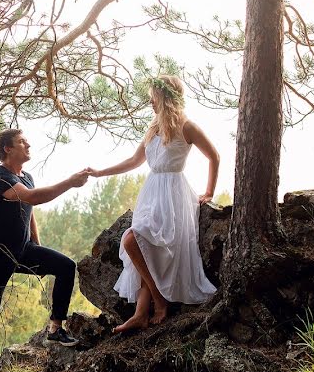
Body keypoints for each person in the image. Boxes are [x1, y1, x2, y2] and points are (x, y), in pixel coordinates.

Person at [87, 74, 218, 332]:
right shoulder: (153, 128)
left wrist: (209, 192)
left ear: (165, 97)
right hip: (151, 194)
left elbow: (214, 156)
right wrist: (101, 172)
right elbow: (133, 161)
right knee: (146, 248)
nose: (150, 103)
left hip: (174, 196)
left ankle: (160, 301)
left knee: (132, 241)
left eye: (153, 98)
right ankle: (140, 314)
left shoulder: (187, 127)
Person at [0, 129, 90, 372]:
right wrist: (70, 182)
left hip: (23, 251)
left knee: (65, 266)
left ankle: (55, 328)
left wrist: (36, 244)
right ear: (7, 149)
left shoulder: (26, 177)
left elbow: (30, 210)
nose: (28, 144)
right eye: (22, 142)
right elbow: (33, 197)